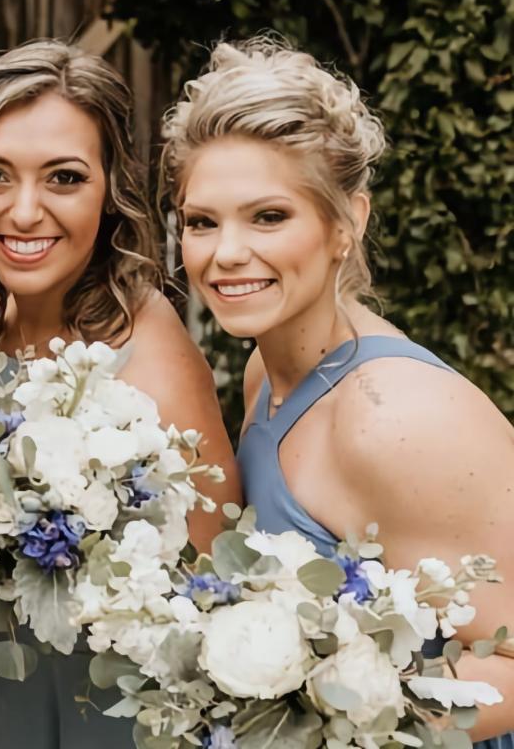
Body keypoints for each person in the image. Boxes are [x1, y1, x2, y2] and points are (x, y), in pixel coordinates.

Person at [165, 36, 513, 746]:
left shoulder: (395, 420)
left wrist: (329, 726)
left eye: (268, 216)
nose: (225, 253)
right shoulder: (271, 370)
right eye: (202, 222)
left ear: (346, 222)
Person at [0, 39, 241, 749]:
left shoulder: (152, 364)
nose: (24, 211)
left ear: (110, 192)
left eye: (64, 178)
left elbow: (212, 607)